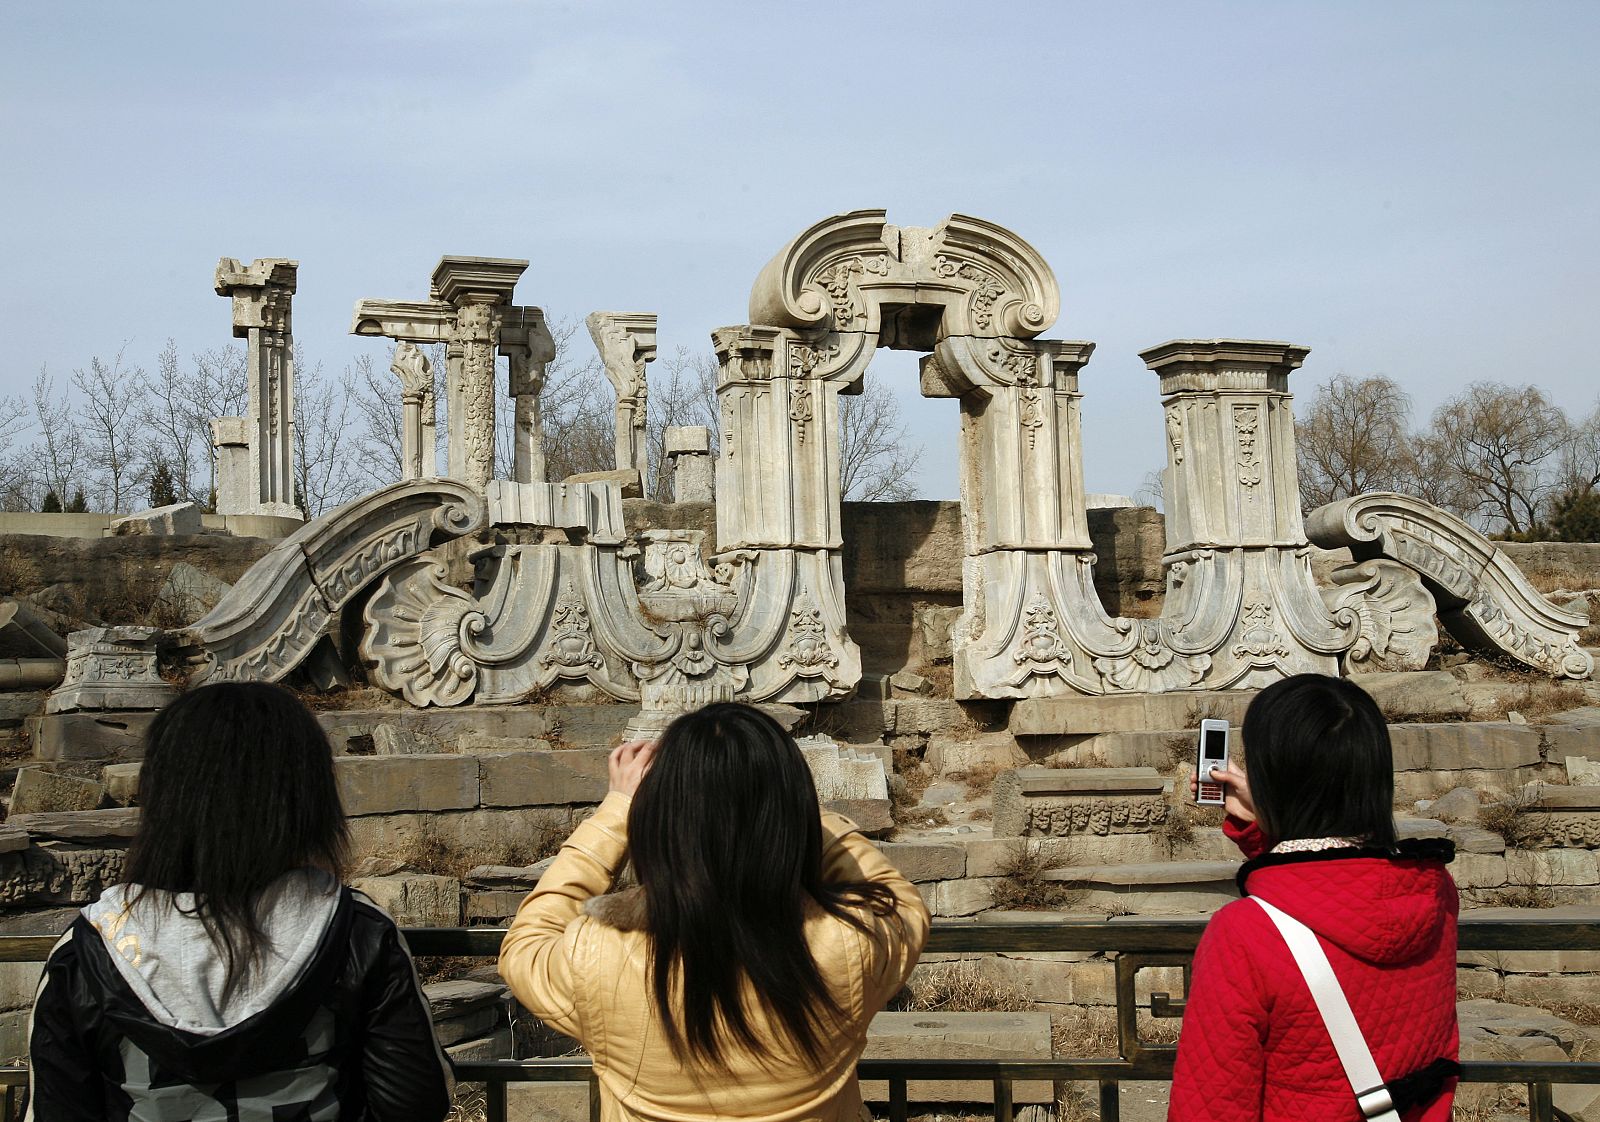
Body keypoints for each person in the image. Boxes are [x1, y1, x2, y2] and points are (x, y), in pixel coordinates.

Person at [25, 681, 452, 1122]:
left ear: (163, 797)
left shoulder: (87, 950)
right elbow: (415, 1103)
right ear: (304, 799)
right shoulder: (357, 930)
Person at [500, 702, 931, 1122]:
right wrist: (785, 807)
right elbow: (902, 901)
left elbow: (526, 943)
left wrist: (615, 814)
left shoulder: (599, 955)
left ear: (659, 822)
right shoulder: (854, 943)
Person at [1168, 673, 1460, 1122]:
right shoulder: (1433, 892)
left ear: (1274, 778)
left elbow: (1212, 1107)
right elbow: (1332, 896)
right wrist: (1266, 822)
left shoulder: (1243, 935)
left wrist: (1272, 815)